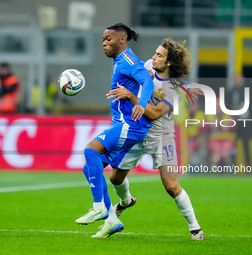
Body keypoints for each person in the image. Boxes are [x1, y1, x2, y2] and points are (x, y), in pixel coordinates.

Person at [106, 38, 205, 240]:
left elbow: (153, 113)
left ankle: (195, 228)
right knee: (115, 178)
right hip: (137, 131)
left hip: (162, 136)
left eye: (159, 55)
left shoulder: (175, 89)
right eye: (155, 53)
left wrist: (131, 96)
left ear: (169, 63)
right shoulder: (148, 66)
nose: (153, 57)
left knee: (171, 185)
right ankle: (126, 202)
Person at [75, 23, 154, 238]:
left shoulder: (128, 60)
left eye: (108, 39)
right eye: (103, 39)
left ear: (121, 39)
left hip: (130, 125)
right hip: (125, 126)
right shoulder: (120, 61)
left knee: (90, 150)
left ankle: (98, 206)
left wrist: (141, 102)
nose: (104, 43)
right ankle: (111, 220)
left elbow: (146, 79)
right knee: (90, 168)